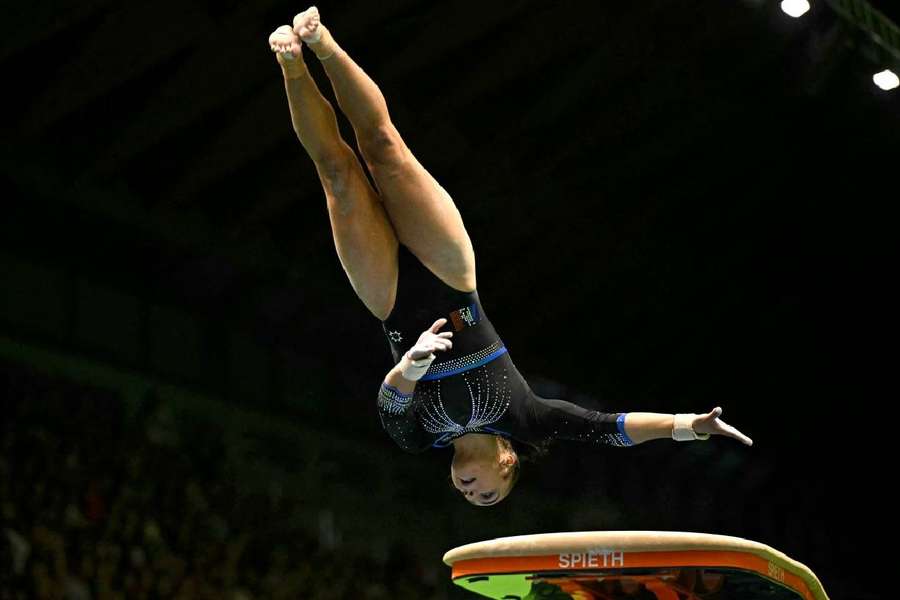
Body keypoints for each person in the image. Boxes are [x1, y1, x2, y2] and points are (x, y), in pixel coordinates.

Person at [268, 7, 753, 507]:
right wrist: (686, 426)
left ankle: (291, 65)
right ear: (508, 463)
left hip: (387, 300)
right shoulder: (524, 418)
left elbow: (390, 403)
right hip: (450, 275)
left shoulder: (416, 439)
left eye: (468, 497)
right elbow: (610, 429)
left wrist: (409, 368)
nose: (470, 493)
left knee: (339, 178)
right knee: (385, 148)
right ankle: (322, 42)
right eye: (488, 497)